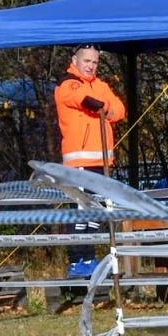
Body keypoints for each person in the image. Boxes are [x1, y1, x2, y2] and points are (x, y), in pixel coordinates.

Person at [54, 44, 127, 277]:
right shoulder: (67, 83)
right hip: (78, 162)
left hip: (102, 162)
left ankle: (90, 257)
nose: (91, 66)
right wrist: (104, 107)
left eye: (95, 62)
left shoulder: (101, 85)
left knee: (96, 211)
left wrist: (105, 108)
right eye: (87, 61)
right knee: (80, 210)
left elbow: (119, 110)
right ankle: (77, 260)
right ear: (74, 60)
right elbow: (84, 99)